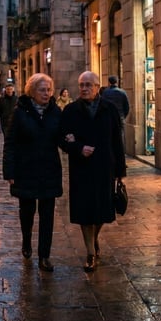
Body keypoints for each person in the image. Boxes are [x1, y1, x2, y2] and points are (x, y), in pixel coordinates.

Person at [60, 70, 126, 273]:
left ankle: (94, 237)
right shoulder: (71, 110)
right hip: (81, 168)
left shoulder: (110, 109)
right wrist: (78, 147)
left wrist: (120, 171)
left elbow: (117, 141)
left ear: (97, 87)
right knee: (84, 211)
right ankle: (90, 252)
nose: (84, 88)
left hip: (104, 166)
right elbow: (62, 138)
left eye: (89, 85)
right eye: (81, 85)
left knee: (101, 211)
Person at [3, 73, 62, 272]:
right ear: (32, 92)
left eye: (49, 90)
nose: (46, 94)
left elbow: (63, 138)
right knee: (27, 212)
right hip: (25, 169)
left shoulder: (56, 112)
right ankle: (26, 241)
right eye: (42, 90)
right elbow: (10, 143)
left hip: (48, 169)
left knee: (47, 215)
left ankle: (44, 255)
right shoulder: (20, 112)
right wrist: (9, 171)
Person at [101, 75, 130, 149]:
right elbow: (127, 107)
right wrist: (123, 116)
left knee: (109, 135)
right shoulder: (122, 92)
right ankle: (121, 153)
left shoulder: (105, 92)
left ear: (109, 82)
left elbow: (102, 105)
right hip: (120, 117)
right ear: (117, 81)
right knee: (120, 135)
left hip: (108, 117)